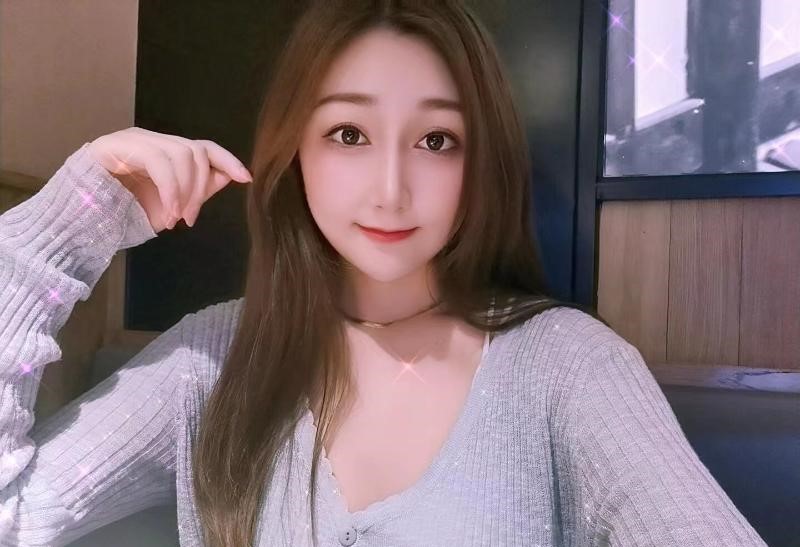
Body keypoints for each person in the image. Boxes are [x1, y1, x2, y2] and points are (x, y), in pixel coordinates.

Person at [0, 1, 768, 546]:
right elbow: (15, 513)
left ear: (480, 161)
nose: (391, 189)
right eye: (349, 133)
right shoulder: (212, 359)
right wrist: (67, 228)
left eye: (436, 140)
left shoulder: (567, 366)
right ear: (295, 150)